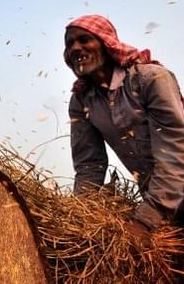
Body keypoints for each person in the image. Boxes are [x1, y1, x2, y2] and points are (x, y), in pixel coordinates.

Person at [64, 14, 184, 237]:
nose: (76, 48)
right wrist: (79, 218)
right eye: (70, 43)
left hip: (166, 198)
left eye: (84, 39)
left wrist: (146, 220)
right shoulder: (82, 100)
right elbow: (89, 166)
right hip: (165, 207)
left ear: (106, 43)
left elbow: (175, 152)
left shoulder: (150, 79)